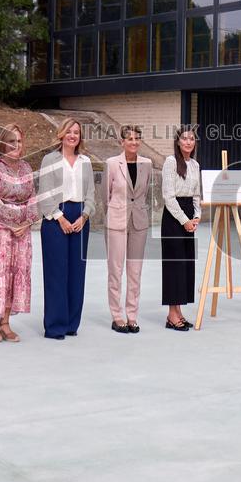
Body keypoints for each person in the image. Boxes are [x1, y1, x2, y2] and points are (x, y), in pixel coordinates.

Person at [36, 118, 95, 340]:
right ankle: (55, 326)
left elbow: (91, 194)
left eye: (77, 132)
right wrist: (60, 218)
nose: (73, 135)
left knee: (76, 273)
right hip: (55, 218)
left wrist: (85, 215)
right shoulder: (49, 159)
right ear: (61, 134)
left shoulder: (86, 162)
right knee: (56, 273)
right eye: (69, 131)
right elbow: (45, 194)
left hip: (80, 217)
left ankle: (71, 323)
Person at [0, 124, 37, 343]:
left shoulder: (26, 167)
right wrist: (11, 221)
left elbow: (33, 197)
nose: (16, 145)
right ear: (3, 143)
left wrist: (28, 221)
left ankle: (5, 322)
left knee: (16, 274)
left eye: (19, 141)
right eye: (12, 141)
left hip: (22, 230)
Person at [100, 125, 152, 334]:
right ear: (122, 142)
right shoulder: (112, 164)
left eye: (137, 139)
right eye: (129, 139)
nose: (134, 142)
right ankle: (117, 315)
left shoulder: (146, 164)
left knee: (135, 271)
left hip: (139, 222)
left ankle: (132, 315)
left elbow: (145, 192)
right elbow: (105, 196)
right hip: (116, 221)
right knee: (116, 270)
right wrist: (114, 213)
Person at [161, 125, 202, 331]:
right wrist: (184, 220)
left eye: (191, 139)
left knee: (185, 265)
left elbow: (196, 195)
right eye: (184, 139)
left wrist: (196, 217)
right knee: (173, 266)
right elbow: (168, 196)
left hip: (188, 215)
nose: (188, 142)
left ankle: (179, 311)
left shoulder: (195, 164)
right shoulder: (170, 162)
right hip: (173, 217)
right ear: (178, 142)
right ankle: (171, 314)